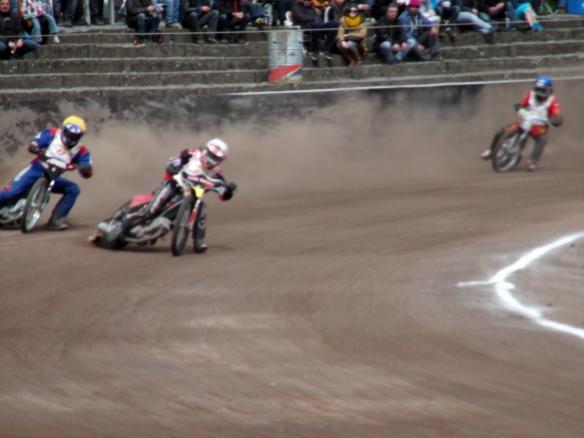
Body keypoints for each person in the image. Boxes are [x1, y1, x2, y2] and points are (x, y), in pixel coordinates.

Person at [122, 138, 236, 252]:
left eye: (216, 158)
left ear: (221, 160)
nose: (211, 160)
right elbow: (175, 160)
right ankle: (123, 224)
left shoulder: (217, 173)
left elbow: (223, 193)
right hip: (175, 185)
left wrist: (228, 192)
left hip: (194, 196)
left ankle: (199, 242)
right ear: (205, 150)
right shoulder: (192, 153)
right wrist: (174, 166)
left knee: (203, 208)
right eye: (210, 155)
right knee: (151, 210)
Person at [0, 116, 93, 230]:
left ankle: (56, 219)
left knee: (73, 189)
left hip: (52, 177)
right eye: (69, 133)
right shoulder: (52, 133)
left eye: (75, 136)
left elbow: (87, 170)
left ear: (80, 136)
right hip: (36, 169)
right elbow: (34, 143)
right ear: (64, 130)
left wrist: (85, 168)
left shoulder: (81, 150)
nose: (71, 137)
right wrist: (35, 147)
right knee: (10, 193)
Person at [481, 76, 562, 171]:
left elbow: (557, 114)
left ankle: (532, 161)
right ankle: (491, 151)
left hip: (539, 126)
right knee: (500, 131)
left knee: (542, 139)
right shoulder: (530, 95)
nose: (540, 93)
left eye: (542, 91)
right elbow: (522, 105)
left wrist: (556, 120)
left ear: (549, 90)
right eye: (538, 90)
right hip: (527, 121)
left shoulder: (552, 101)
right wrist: (518, 107)